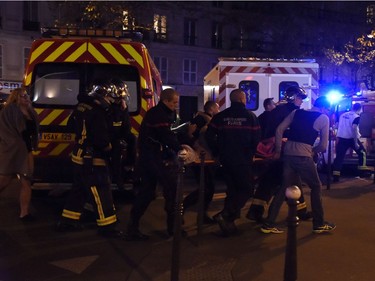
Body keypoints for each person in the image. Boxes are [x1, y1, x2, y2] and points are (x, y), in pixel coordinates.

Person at [56, 81, 124, 238]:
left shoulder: (81, 107)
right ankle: (107, 227)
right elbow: (102, 139)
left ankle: (67, 221)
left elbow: (70, 126)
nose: (113, 101)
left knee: (79, 190)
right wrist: (109, 147)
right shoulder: (98, 112)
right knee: (101, 192)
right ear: (104, 96)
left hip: (79, 155)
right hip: (93, 159)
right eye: (112, 98)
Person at [261, 95, 336, 234]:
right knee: (316, 186)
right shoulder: (323, 118)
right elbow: (323, 146)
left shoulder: (297, 112)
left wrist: (278, 150)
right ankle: (318, 223)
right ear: (325, 107)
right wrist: (313, 152)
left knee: (283, 188)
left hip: (288, 153)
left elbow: (279, 130)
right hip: (303, 156)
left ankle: (268, 223)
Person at [126, 88, 187, 240]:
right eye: (174, 102)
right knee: (171, 191)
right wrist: (180, 149)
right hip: (156, 159)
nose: (176, 105)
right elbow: (166, 135)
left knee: (147, 192)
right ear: (165, 100)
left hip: (151, 158)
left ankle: (133, 227)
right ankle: (173, 228)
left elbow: (171, 132)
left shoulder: (162, 113)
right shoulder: (159, 114)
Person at [247, 87, 311, 223]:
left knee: (271, 180)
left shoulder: (274, 112)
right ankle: (295, 212)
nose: (301, 101)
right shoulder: (293, 113)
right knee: (288, 180)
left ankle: (256, 211)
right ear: (293, 98)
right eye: (299, 98)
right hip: (283, 152)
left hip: (272, 152)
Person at [205, 89, 260, 237]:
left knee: (232, 190)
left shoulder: (220, 117)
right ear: (243, 100)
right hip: (243, 160)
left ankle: (229, 225)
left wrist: (217, 152)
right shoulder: (251, 117)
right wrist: (250, 154)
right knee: (247, 189)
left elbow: (209, 136)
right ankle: (226, 214)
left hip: (226, 159)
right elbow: (256, 139)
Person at [0, 87, 39, 221]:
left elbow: (32, 131)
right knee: (5, 179)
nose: (26, 98)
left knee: (26, 181)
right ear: (16, 97)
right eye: (23, 96)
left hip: (26, 150)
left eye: (26, 96)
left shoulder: (30, 111)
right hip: (12, 150)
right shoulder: (9, 110)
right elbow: (10, 131)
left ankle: (24, 213)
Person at [183, 101, 219, 224]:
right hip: (201, 158)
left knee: (208, 188)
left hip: (204, 157)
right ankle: (182, 207)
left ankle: (202, 215)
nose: (218, 110)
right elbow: (194, 138)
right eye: (217, 108)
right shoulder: (201, 120)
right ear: (212, 108)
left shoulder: (202, 118)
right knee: (206, 188)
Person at [108, 78, 136, 190]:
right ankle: (118, 179)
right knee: (116, 148)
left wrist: (124, 111)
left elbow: (126, 127)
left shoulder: (121, 107)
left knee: (132, 139)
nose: (122, 98)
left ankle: (129, 167)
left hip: (118, 134)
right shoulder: (107, 107)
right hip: (108, 135)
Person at [332, 103, 369, 182]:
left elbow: (336, 125)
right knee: (362, 153)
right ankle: (362, 172)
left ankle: (336, 176)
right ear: (359, 109)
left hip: (342, 138)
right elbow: (354, 129)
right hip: (352, 138)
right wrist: (356, 142)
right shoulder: (356, 117)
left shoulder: (342, 115)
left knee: (339, 157)